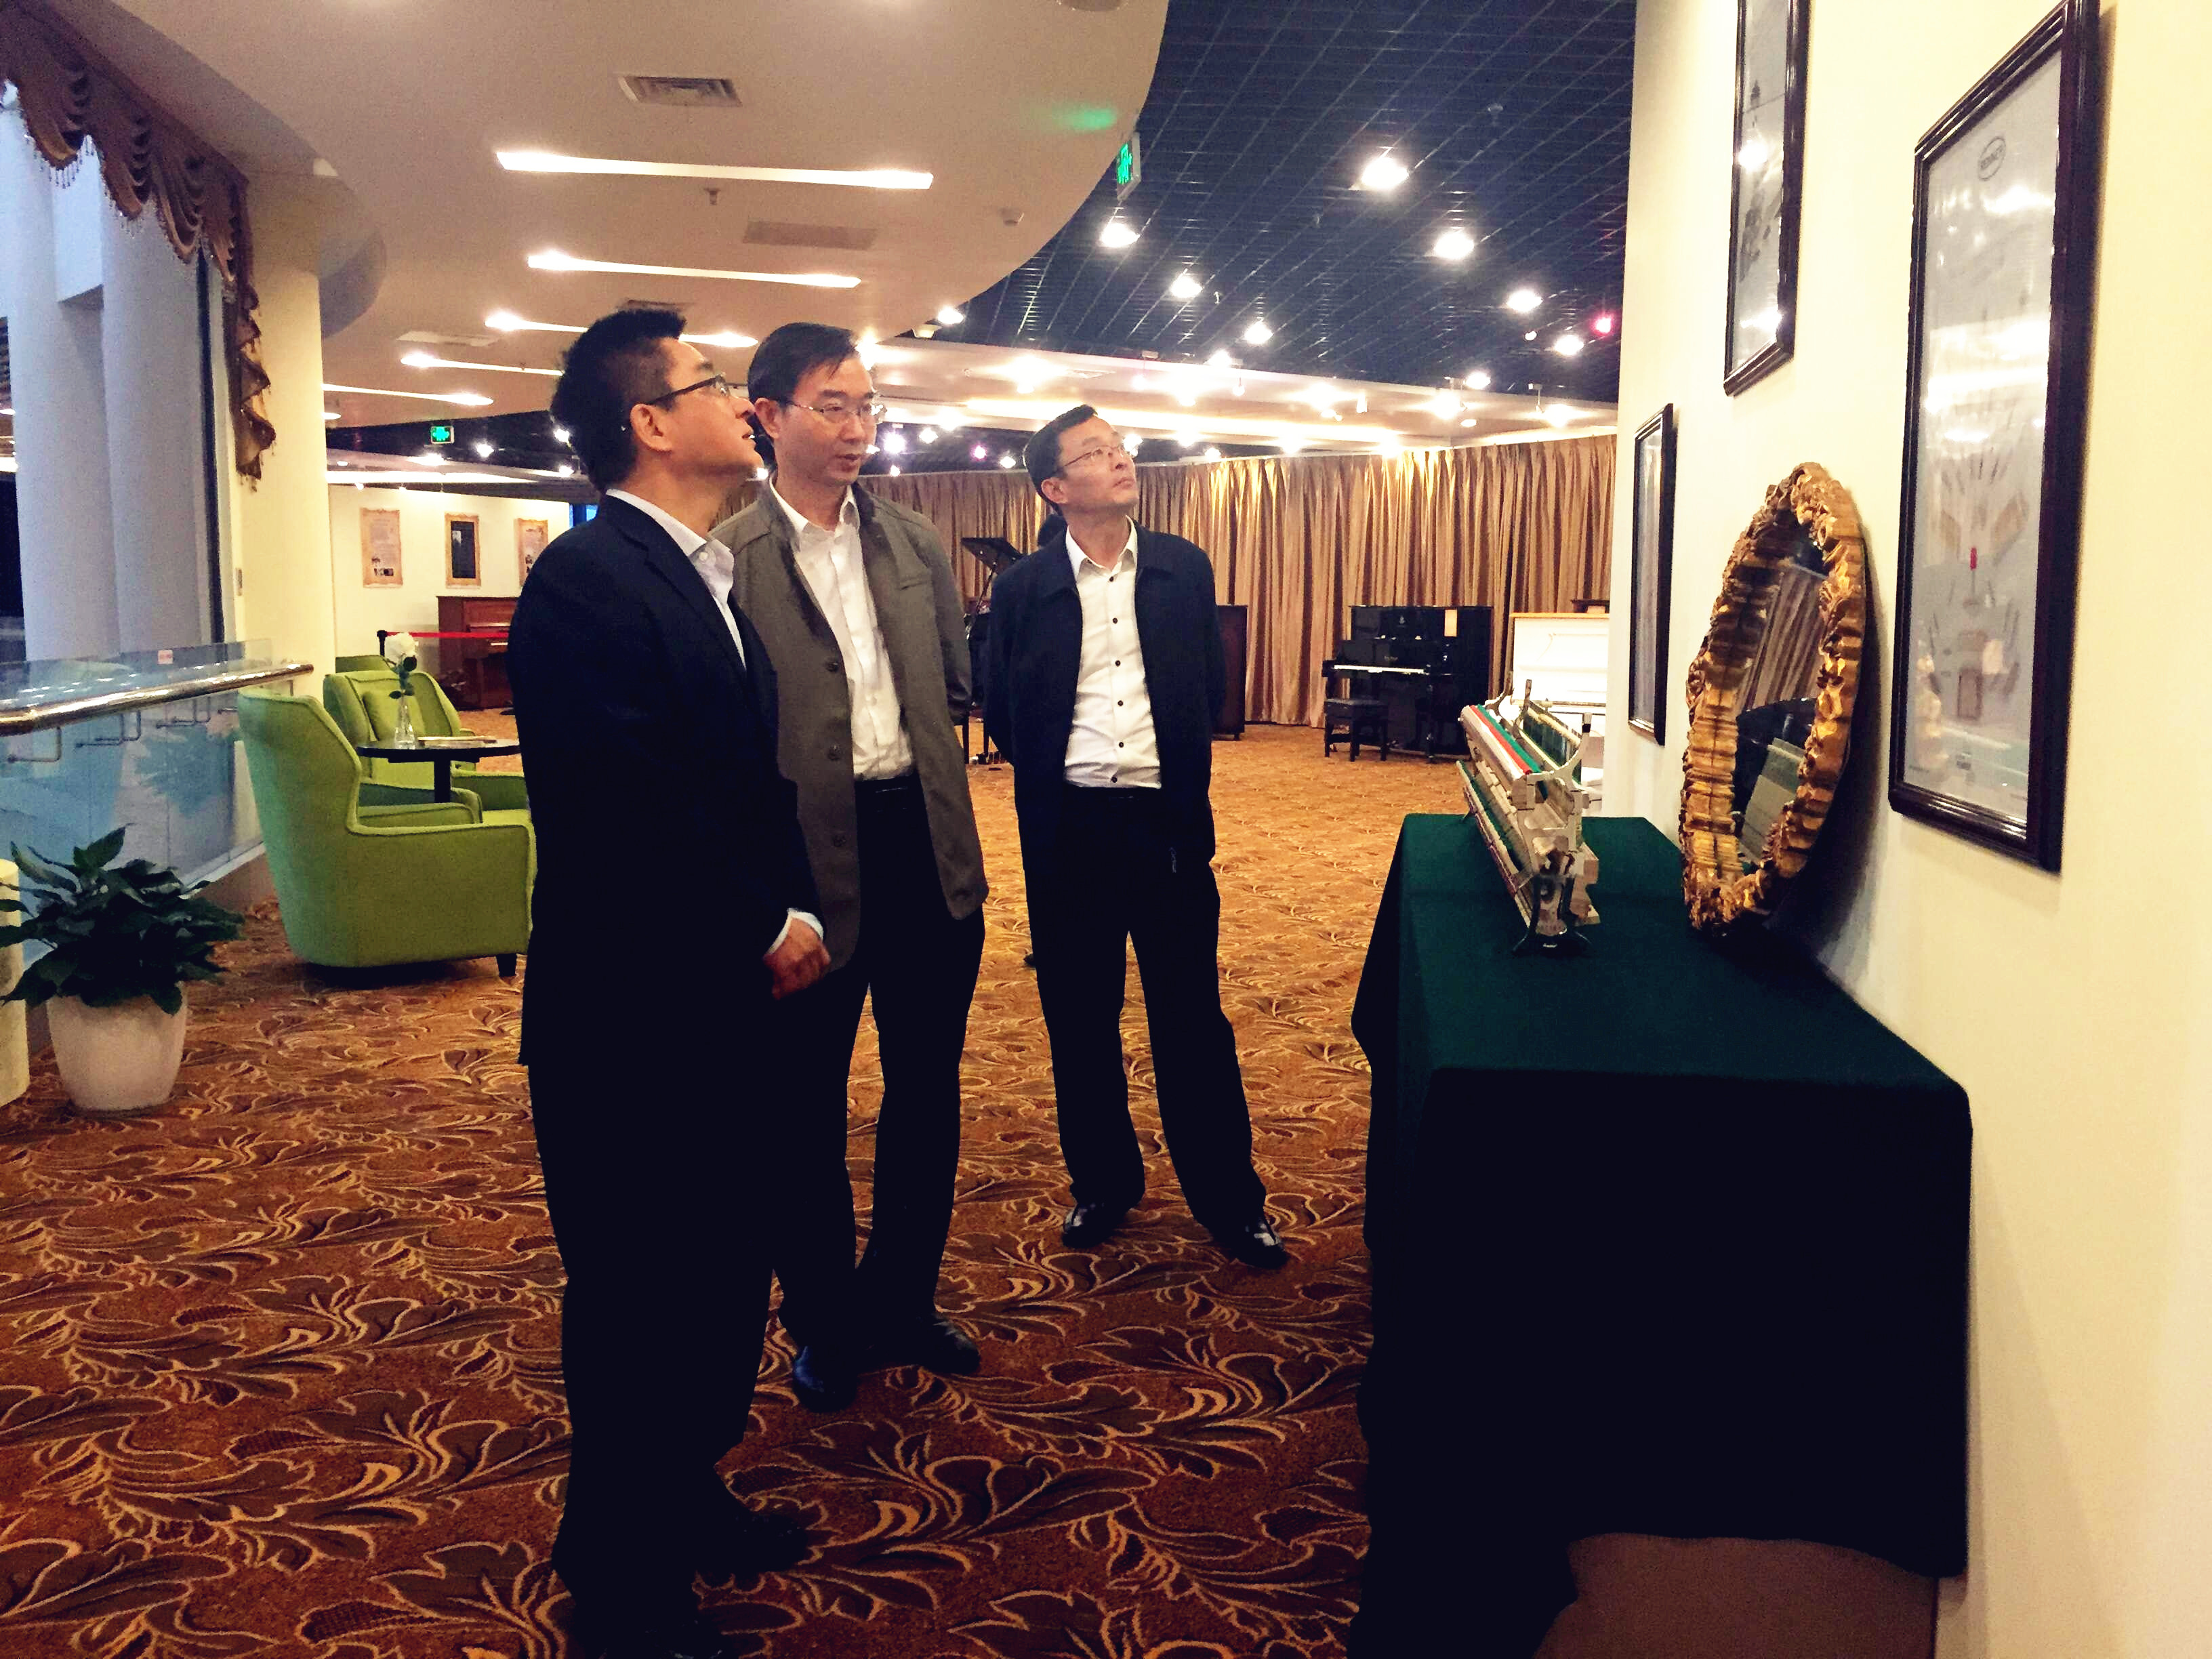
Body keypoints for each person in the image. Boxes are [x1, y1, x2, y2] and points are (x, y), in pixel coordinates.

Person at [508, 308, 830, 1659]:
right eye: (712, 384)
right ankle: (622, 1591)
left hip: (712, 1011)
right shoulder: (588, 580)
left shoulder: (699, 571)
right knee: (641, 1303)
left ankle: (682, 1500)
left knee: (714, 1281)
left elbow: (738, 782)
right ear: (648, 423)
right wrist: (762, 921)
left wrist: (787, 910)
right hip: (630, 1026)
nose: (741, 405)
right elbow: (625, 810)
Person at [714, 323, 988, 1412]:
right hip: (803, 859)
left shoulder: (915, 543)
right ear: (766, 416)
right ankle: (826, 1319)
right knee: (802, 1108)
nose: (857, 428)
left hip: (925, 845)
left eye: (868, 406)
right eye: (832, 405)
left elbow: (955, 687)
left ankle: (905, 1298)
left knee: (926, 1089)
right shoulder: (730, 553)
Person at [985, 404, 1288, 1271]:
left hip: (1166, 826)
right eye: (1096, 453)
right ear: (1055, 488)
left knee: (1191, 1016)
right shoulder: (1023, 587)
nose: (1121, 460)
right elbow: (1002, 705)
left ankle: (1230, 1200)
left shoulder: (1182, 567)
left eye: (1120, 447)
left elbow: (1207, 683)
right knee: (1080, 1017)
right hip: (1070, 828)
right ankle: (1104, 1183)